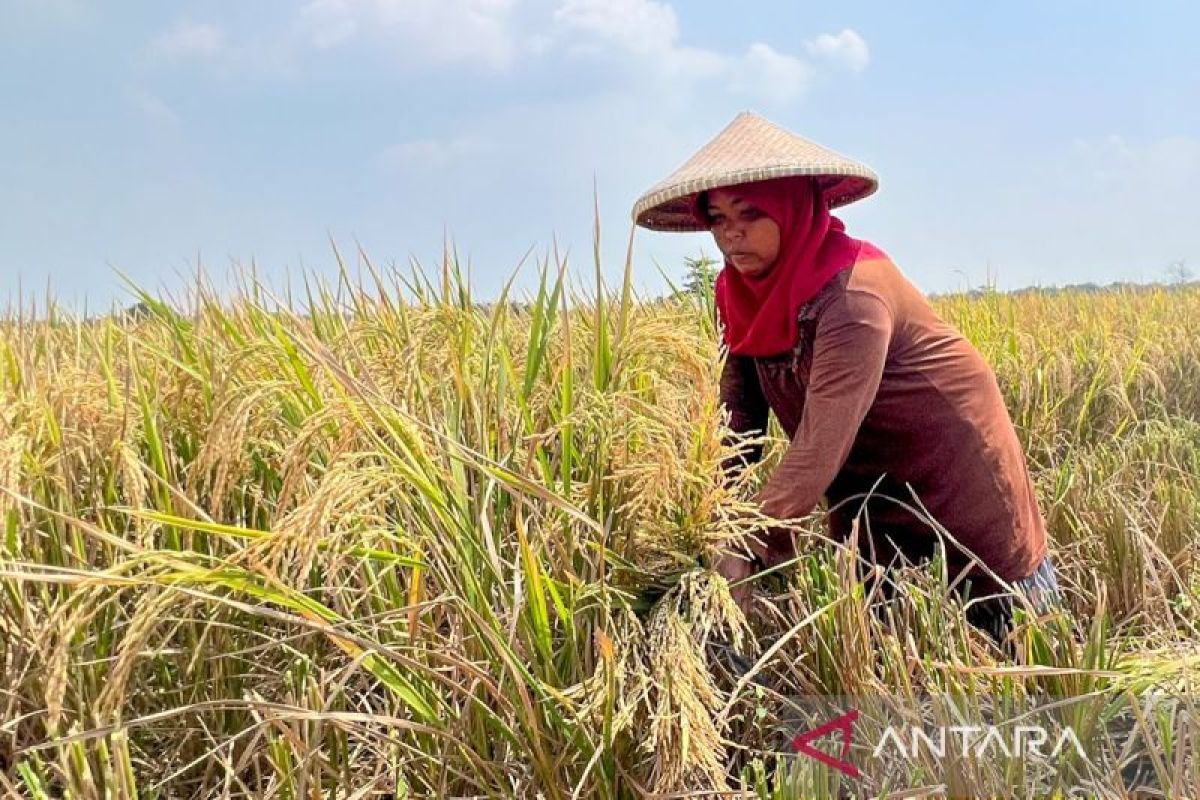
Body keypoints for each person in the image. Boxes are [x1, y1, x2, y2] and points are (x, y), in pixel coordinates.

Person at [631, 112, 1061, 643]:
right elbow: (737, 422)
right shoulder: (737, 292)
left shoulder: (854, 296)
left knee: (1000, 639)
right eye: (717, 218)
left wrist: (747, 541)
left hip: (951, 474)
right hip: (865, 486)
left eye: (750, 213)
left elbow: (820, 440)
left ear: (793, 210)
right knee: (889, 638)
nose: (730, 233)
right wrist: (714, 522)